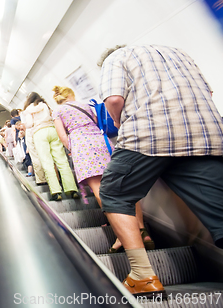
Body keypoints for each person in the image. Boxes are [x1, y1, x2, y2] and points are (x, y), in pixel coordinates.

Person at [98, 44, 223, 297]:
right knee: (217, 207)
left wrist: (118, 121)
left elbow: (113, 99)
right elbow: (208, 92)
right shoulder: (181, 53)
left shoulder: (116, 57)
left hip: (149, 134)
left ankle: (142, 276)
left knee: (114, 193)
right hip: (206, 134)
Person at [52, 85, 154, 253]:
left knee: (101, 190)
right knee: (123, 185)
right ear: (71, 95)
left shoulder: (57, 111)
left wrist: (73, 148)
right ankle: (142, 230)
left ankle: (122, 235)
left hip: (82, 145)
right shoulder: (86, 105)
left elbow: (63, 136)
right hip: (101, 142)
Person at [23, 92, 78, 200]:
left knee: (46, 162)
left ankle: (56, 192)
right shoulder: (45, 105)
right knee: (62, 161)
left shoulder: (29, 109)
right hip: (52, 131)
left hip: (39, 133)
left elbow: (29, 124)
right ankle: (72, 189)